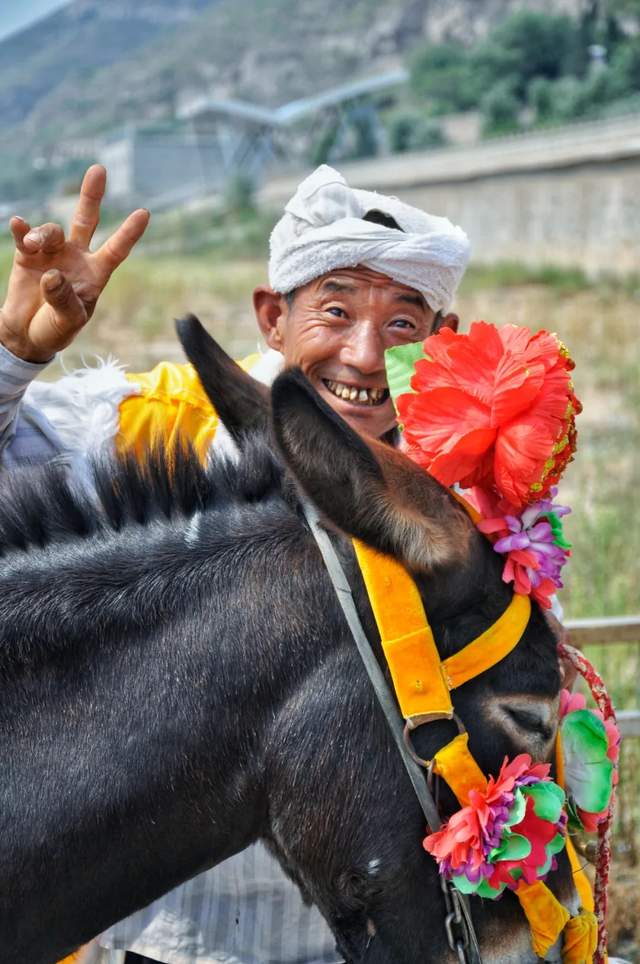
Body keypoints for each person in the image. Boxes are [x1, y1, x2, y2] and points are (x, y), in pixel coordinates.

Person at [0, 163, 469, 964]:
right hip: (169, 945)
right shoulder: (148, 432)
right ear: (271, 317)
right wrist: (14, 356)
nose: (363, 355)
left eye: (402, 323)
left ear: (442, 341)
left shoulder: (465, 492)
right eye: (335, 311)